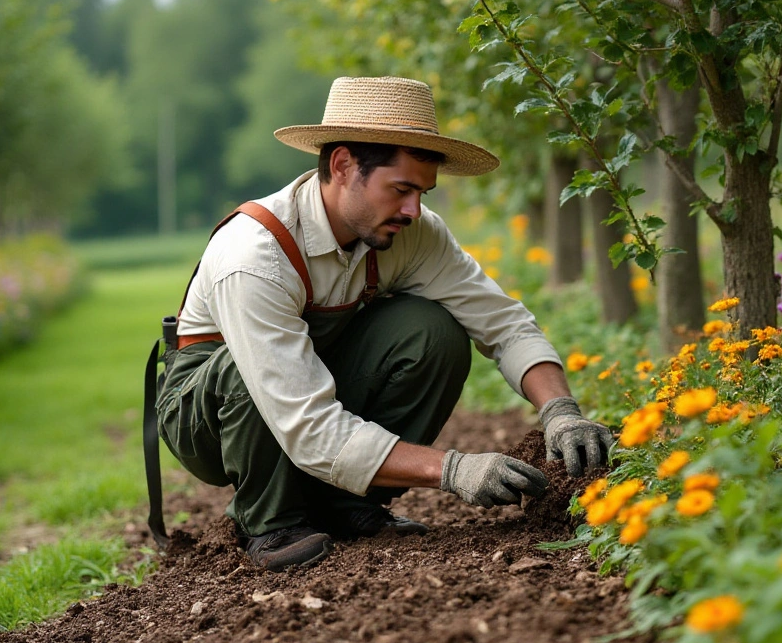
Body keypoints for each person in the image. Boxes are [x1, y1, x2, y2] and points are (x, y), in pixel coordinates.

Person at [154, 76, 612, 572]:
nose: (414, 210)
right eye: (401, 189)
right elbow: (305, 424)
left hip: (307, 378)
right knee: (248, 369)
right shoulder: (255, 256)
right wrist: (452, 470)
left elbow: (501, 322)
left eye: (423, 192)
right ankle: (271, 521)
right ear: (344, 166)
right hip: (209, 412)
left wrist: (560, 411)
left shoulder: (410, 232)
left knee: (432, 331)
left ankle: (349, 507)